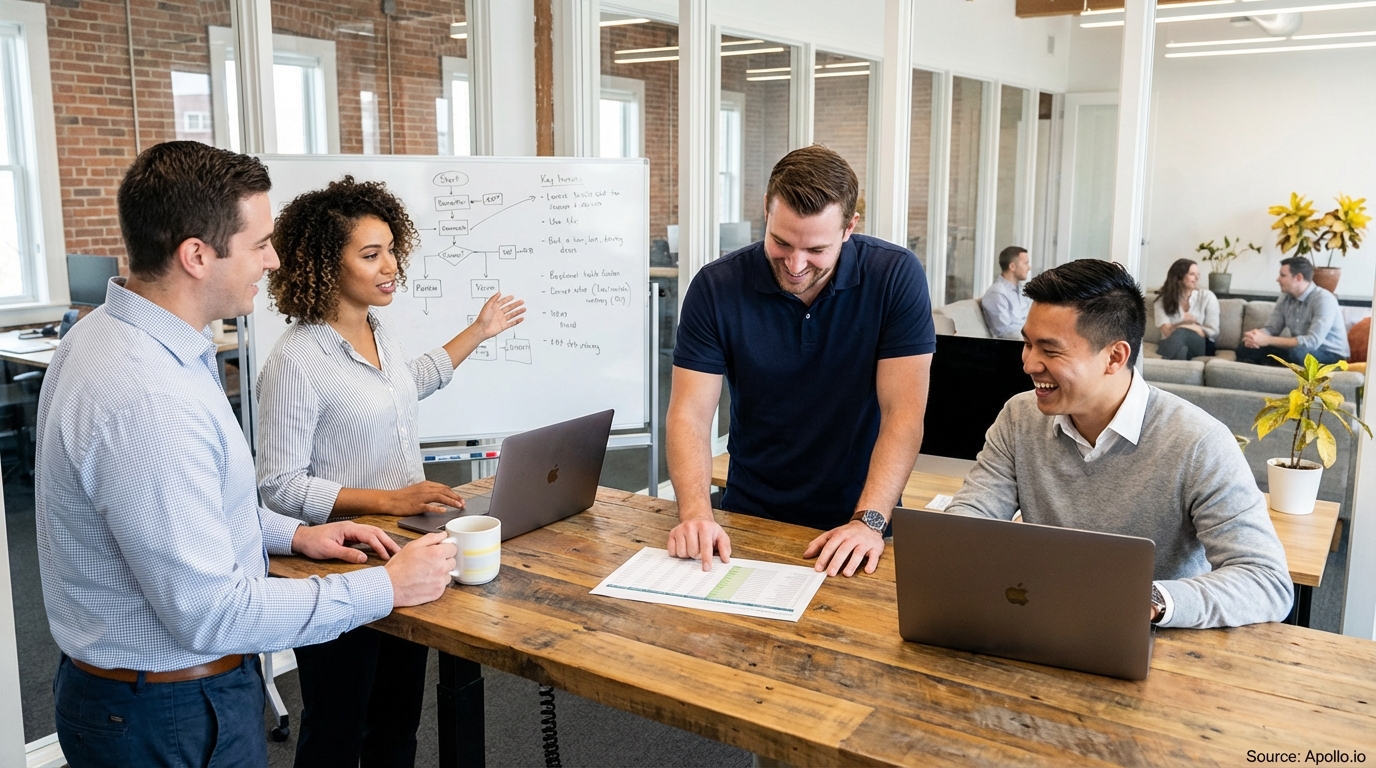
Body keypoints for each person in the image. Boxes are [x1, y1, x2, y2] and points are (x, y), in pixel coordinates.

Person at [35, 142, 457, 768]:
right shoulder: (149, 396)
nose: (274, 259)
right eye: (259, 243)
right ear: (197, 256)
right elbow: (209, 614)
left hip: (150, 699)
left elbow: (199, 507)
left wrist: (294, 535)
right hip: (171, 711)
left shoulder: (112, 338)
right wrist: (384, 588)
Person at [254, 177, 524, 767]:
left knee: (396, 727)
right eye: (371, 255)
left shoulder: (378, 329)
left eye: (392, 250)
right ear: (326, 264)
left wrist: (479, 331)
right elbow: (279, 486)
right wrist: (392, 500)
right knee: (336, 732)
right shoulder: (296, 361)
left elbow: (410, 381)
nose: (391, 267)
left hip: (405, 553)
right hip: (341, 566)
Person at [946, 259, 1293, 629]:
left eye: (1050, 350)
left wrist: (1150, 600)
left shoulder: (1199, 442)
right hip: (1039, 623)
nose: (1029, 364)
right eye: (1028, 344)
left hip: (1153, 641)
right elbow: (970, 517)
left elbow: (1266, 581)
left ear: (1115, 357)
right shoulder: (1020, 416)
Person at [666, 145, 935, 577]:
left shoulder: (895, 276)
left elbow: (903, 414)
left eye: (816, 250)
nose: (795, 265)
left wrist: (868, 522)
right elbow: (690, 414)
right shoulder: (716, 287)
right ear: (766, 211)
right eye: (781, 242)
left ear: (849, 228)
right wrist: (696, 513)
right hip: (750, 515)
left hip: (861, 520)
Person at [1238, 256, 1349, 366]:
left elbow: (1312, 342)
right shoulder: (1285, 298)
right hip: (1299, 351)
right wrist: (1255, 337)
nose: (1278, 279)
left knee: (1298, 354)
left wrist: (1267, 340)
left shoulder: (1324, 299)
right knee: (1245, 347)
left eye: (1282, 275)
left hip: (1332, 355)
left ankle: (1270, 363)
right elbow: (1271, 329)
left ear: (1298, 278)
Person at [1154, 258, 1219, 360]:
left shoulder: (1207, 297)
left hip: (1202, 344)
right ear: (1179, 277)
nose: (1197, 278)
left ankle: (1162, 364)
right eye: (1192, 274)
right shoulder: (1162, 300)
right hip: (1172, 342)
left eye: (1198, 274)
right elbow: (1166, 332)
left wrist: (1179, 327)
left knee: (1181, 333)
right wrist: (1188, 324)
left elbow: (1212, 331)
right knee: (1181, 349)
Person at [981, 246, 1032, 339]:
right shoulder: (996, 293)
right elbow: (1004, 331)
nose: (1029, 267)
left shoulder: (1020, 289)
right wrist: (1036, 332)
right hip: (1012, 344)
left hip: (1028, 339)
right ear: (1012, 266)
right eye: (1026, 263)